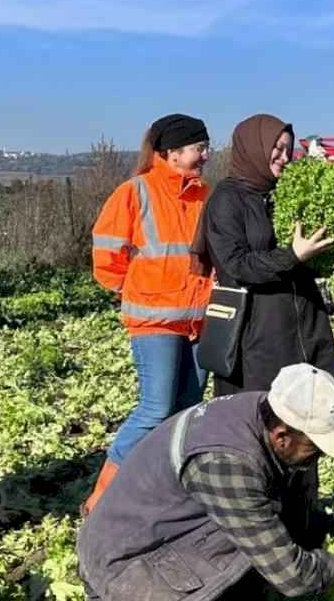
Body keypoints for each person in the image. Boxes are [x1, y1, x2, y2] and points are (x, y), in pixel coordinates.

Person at [77, 364, 334, 601]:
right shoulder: (227, 463)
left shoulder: (258, 408)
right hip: (126, 567)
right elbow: (294, 576)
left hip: (156, 532)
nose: (317, 458)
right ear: (282, 435)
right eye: (315, 448)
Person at [83, 114, 213, 515]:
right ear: (171, 153)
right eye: (198, 147)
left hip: (199, 320)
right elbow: (106, 255)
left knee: (186, 411)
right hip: (154, 321)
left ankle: (162, 491)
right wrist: (135, 286)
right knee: (154, 409)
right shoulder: (134, 192)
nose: (205, 154)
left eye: (205, 146)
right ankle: (102, 496)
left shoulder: (206, 195)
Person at [192, 113, 334, 397]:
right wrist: (293, 256)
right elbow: (236, 265)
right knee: (266, 416)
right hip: (258, 330)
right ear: (255, 147)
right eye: (278, 149)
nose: (285, 158)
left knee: (312, 412)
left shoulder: (285, 192)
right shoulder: (226, 200)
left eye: (289, 150)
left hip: (305, 320)